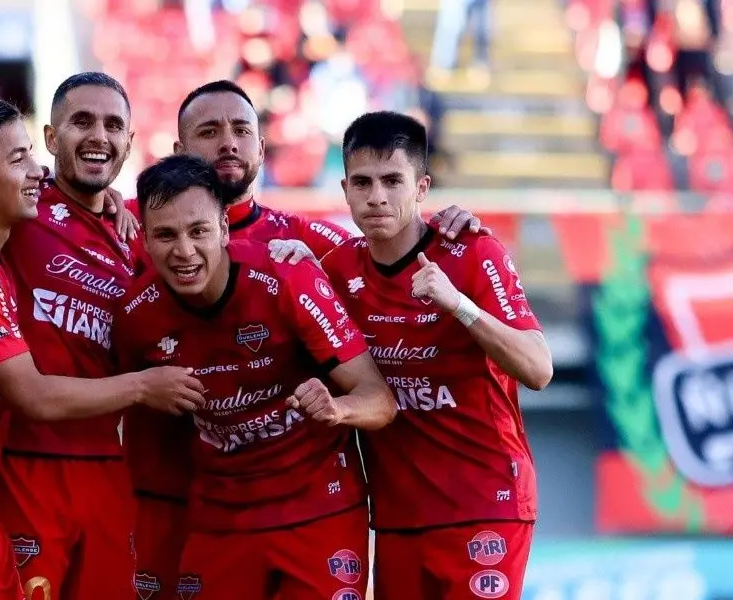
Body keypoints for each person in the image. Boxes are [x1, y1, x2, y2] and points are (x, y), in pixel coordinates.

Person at [124, 78, 488, 596]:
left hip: (324, 504)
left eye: (241, 131)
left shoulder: (306, 249)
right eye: (209, 131)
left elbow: (393, 250)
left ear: (261, 147)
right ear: (180, 149)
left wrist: (449, 227)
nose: (228, 142)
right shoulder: (132, 233)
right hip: (192, 506)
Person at [0, 98, 205, 600]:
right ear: (55, 136)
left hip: (87, 475)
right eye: (83, 121)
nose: (38, 169)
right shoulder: (2, 230)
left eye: (114, 124)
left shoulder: (139, 230)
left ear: (131, 143)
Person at [116, 154, 396, 599]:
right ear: (145, 242)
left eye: (199, 231)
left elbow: (380, 399)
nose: (184, 251)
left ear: (225, 229)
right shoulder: (135, 315)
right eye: (165, 235)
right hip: (220, 520)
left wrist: (337, 408)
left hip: (319, 511)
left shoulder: (286, 277)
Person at [320, 111, 552, 599]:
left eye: (392, 181)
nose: (377, 196)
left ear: (422, 187)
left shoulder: (471, 252)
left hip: (486, 503)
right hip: (398, 514)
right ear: (344, 189)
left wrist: (458, 305)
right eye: (362, 182)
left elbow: (538, 368)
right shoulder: (337, 270)